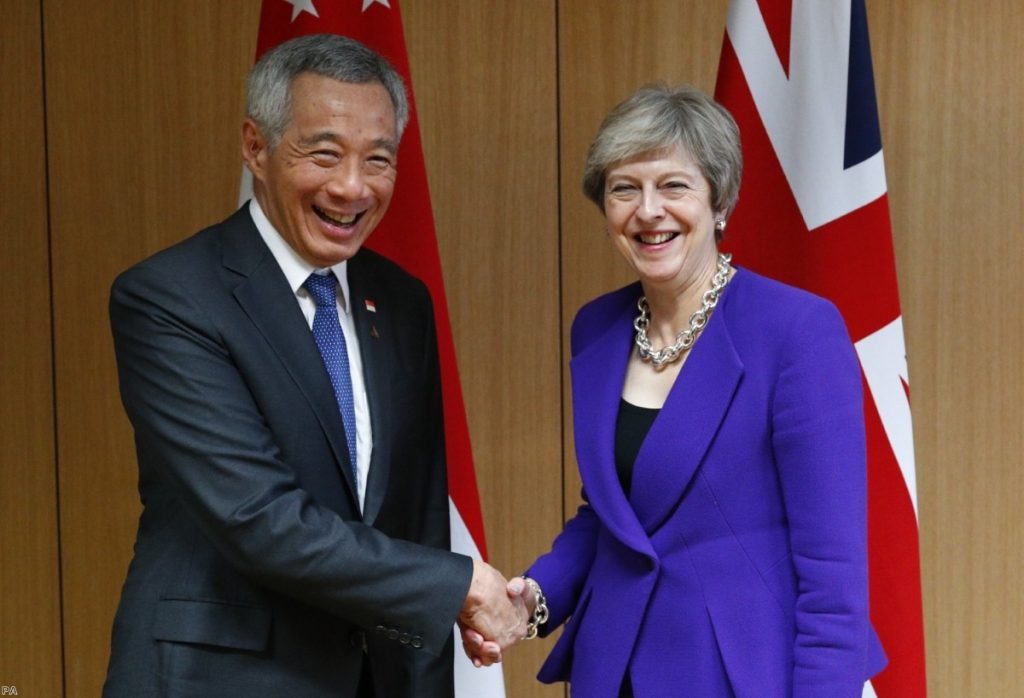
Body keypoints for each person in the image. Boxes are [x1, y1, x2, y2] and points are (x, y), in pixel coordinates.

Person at [103, 33, 523, 697]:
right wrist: (460, 584)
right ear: (256, 147)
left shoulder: (402, 300)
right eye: (324, 153)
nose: (352, 187)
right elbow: (257, 518)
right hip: (218, 678)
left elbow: (413, 517)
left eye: (377, 159)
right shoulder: (171, 297)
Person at [466, 84, 888, 696]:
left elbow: (834, 575)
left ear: (718, 200)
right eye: (624, 188)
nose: (648, 211)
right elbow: (614, 517)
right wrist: (530, 599)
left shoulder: (796, 330)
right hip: (613, 670)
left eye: (673, 185)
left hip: (740, 675)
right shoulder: (597, 328)